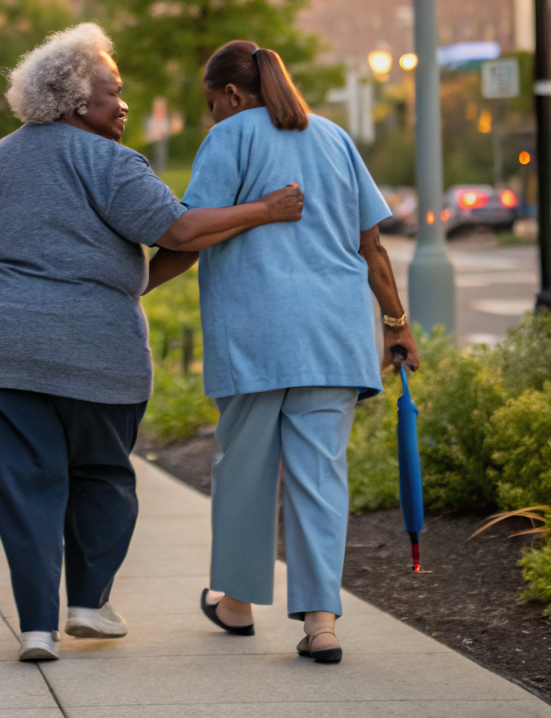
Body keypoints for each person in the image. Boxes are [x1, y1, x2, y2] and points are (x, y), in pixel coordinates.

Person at [0, 23, 304, 663]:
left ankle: (35, 629)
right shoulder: (110, 163)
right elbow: (182, 230)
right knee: (104, 476)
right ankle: (87, 602)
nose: (124, 104)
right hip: (97, 354)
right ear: (78, 102)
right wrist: (265, 209)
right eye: (113, 93)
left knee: (25, 490)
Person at [161, 39, 419, 665]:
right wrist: (397, 324)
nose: (210, 117)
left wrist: (130, 285)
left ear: (230, 94)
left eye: (210, 104)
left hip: (256, 335)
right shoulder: (334, 138)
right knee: (321, 477)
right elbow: (373, 247)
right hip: (335, 336)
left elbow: (192, 233)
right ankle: (322, 624)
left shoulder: (229, 138)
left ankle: (238, 605)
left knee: (245, 470)